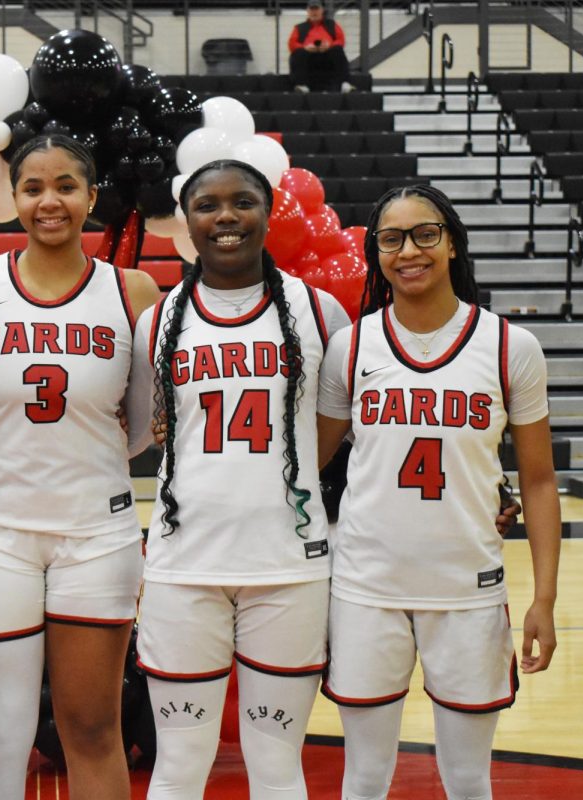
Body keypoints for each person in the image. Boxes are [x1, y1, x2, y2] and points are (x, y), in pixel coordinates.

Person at [316, 184, 561, 800]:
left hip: (468, 588)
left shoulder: (510, 347)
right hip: (367, 587)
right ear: (375, 252)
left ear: (452, 243)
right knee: (365, 777)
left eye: (425, 234)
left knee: (468, 780)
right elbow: (306, 465)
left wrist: (544, 601)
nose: (409, 251)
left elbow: (537, 479)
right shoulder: (351, 348)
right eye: (391, 239)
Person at [0, 134, 160, 800]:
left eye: (65, 185)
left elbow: (147, 421)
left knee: (93, 729)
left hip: (96, 534)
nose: (49, 200)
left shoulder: (135, 292)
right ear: (13, 200)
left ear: (91, 196)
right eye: (33, 187)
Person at [126, 159, 350, 799]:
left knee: (277, 764)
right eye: (208, 205)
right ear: (187, 221)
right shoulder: (159, 320)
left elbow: (335, 426)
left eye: (242, 201)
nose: (226, 217)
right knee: (179, 766)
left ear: (269, 209)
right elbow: (144, 431)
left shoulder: (320, 311)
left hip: (288, 566)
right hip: (183, 564)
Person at [288, 0, 352, 94]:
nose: (314, 12)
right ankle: (301, 84)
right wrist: (305, 48)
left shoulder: (332, 25)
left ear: (322, 10)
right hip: (308, 58)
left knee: (338, 50)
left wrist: (329, 46)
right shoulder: (299, 28)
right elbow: (292, 43)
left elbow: (340, 40)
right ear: (308, 11)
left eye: (316, 9)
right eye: (312, 9)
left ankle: (344, 83)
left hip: (327, 56)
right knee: (298, 53)